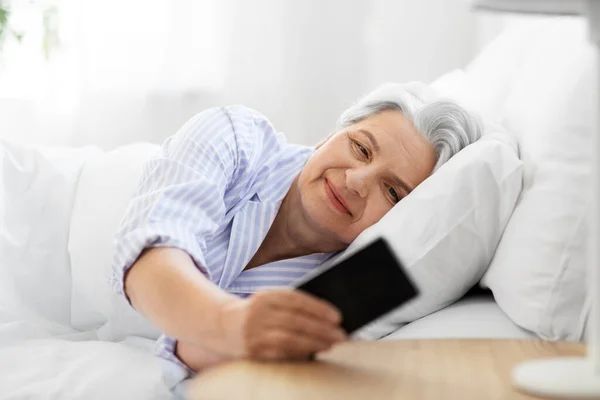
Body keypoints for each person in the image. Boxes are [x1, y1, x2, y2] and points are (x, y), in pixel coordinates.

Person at [109, 82, 482, 379]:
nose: (356, 180)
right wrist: (229, 323)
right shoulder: (236, 136)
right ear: (330, 134)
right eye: (360, 149)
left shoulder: (357, 279)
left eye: (392, 191)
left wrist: (231, 335)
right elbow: (151, 250)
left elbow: (194, 352)